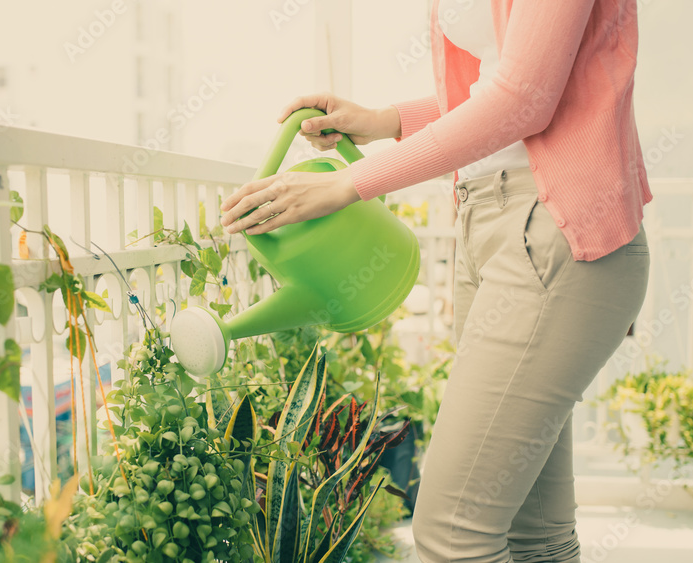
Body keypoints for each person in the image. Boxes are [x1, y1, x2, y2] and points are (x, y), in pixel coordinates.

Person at [219, 0, 651, 561]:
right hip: (493, 229)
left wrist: (349, 183)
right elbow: (496, 86)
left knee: (454, 535)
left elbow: (526, 98)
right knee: (534, 534)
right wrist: (384, 122)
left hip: (551, 234)